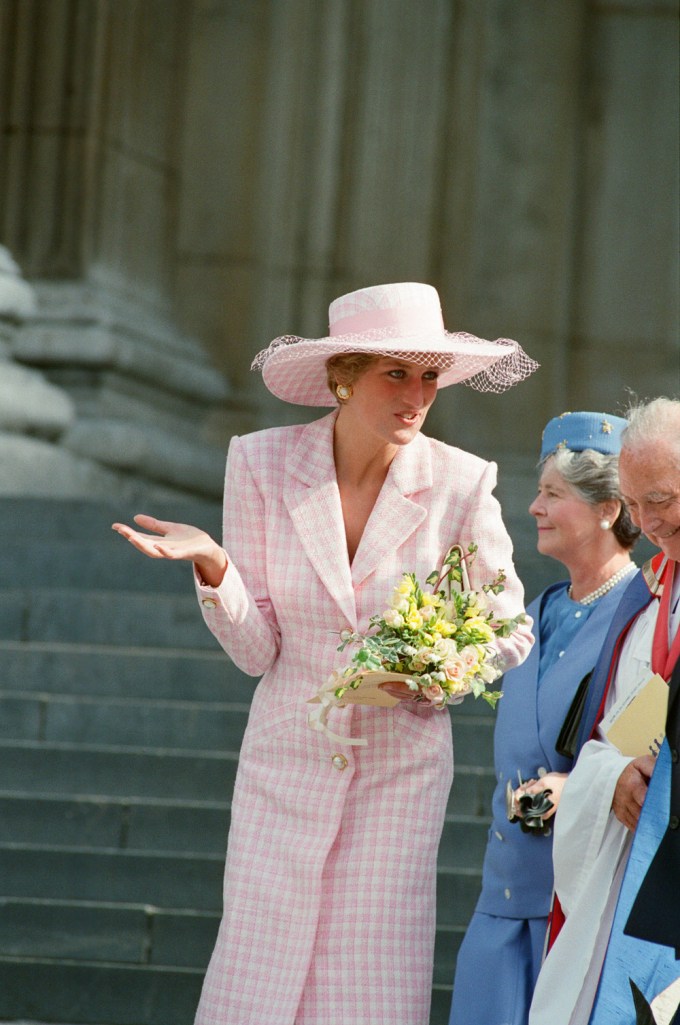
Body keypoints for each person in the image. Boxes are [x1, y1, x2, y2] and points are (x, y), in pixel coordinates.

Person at [112, 281, 537, 1025]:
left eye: (429, 375)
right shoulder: (260, 463)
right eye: (395, 373)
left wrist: (434, 676)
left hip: (397, 779)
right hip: (284, 769)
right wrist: (214, 566)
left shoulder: (462, 483)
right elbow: (256, 650)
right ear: (344, 375)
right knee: (259, 981)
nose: (416, 395)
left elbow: (510, 627)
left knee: (365, 990)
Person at [448, 410, 640, 1025]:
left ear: (609, 507)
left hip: (580, 909)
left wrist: (581, 785)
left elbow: (642, 747)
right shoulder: (534, 613)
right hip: (502, 903)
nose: (534, 507)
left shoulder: (649, 617)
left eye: (553, 494)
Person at [529, 396, 680, 1025]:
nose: (646, 522)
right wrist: (611, 777)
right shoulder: (648, 602)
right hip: (643, 879)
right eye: (636, 503)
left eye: (663, 500)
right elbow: (607, 739)